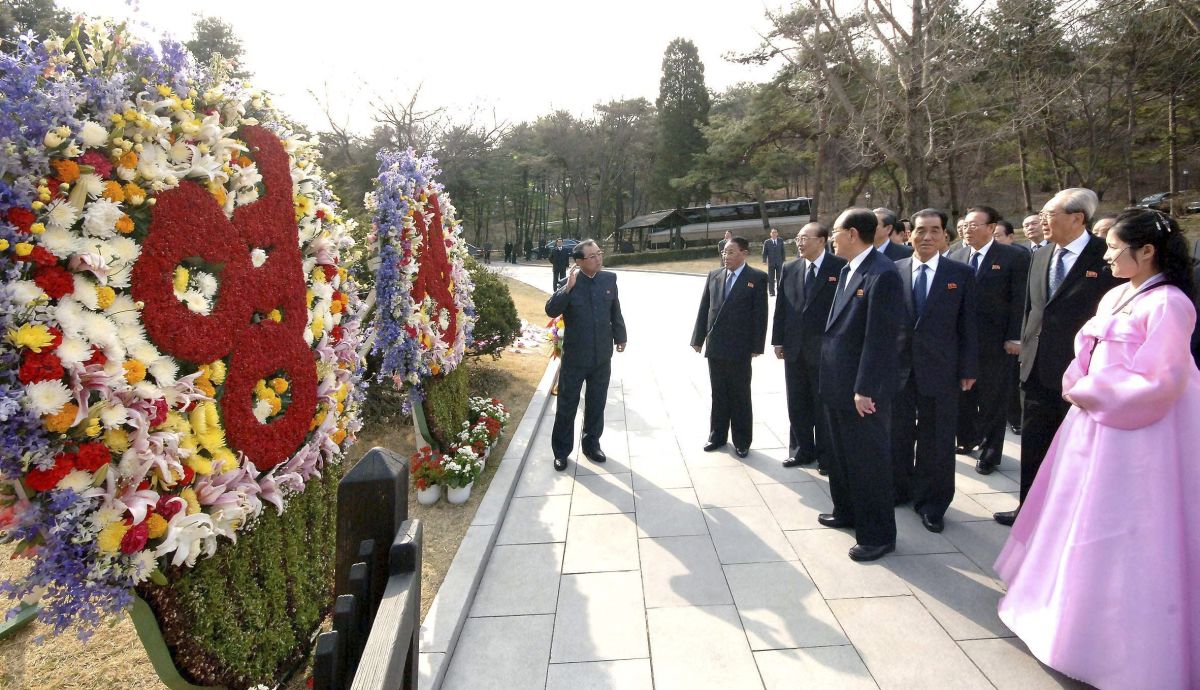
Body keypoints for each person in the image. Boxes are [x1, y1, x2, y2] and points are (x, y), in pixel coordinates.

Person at [995, 208, 1200, 689]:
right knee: (1080, 520)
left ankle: (1126, 646)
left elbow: (1161, 380)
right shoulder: (1116, 294)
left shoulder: (1169, 303)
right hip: (1095, 422)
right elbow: (1086, 351)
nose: (1106, 254)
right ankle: (1068, 620)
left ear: (1146, 252)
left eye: (1114, 247)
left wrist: (1092, 391)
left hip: (1140, 435)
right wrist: (1078, 382)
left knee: (1128, 528)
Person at [995, 188, 1124, 525]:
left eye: (1050, 213)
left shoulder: (1106, 257)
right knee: (1034, 446)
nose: (1041, 220)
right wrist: (1024, 350)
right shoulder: (1038, 255)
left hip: (1082, 374)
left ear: (1077, 218)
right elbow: (1031, 309)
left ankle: (1072, 518)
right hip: (1036, 368)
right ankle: (1029, 511)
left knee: (1078, 452)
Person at [817, 208, 903, 562]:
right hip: (838, 383)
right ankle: (847, 511)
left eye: (836, 232)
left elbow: (881, 340)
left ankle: (877, 534)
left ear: (852, 233)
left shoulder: (882, 275)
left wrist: (865, 388)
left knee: (868, 462)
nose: (832, 237)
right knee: (841, 456)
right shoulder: (847, 268)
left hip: (861, 391)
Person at [891, 209, 978, 533]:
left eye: (934, 231)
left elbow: (969, 325)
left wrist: (969, 367)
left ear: (945, 236)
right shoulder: (893, 270)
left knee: (938, 440)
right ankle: (899, 489)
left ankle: (933, 503)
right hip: (899, 370)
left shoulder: (961, 273)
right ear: (909, 234)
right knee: (897, 434)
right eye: (920, 230)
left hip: (942, 370)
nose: (927, 237)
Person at [950, 206, 1030, 474]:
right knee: (964, 395)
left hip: (995, 342)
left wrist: (1015, 336)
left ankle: (990, 452)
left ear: (991, 227)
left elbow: (1021, 300)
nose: (968, 230)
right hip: (961, 341)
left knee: (993, 398)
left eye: (975, 225)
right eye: (966, 225)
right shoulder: (956, 254)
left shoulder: (1012, 256)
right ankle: (968, 439)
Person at [545, 240, 627, 472]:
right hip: (575, 358)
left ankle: (592, 444)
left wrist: (620, 336)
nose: (598, 259)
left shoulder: (609, 279)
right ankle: (561, 452)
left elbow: (615, 311)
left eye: (599, 254)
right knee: (567, 405)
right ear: (579, 261)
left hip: (602, 355)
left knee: (596, 402)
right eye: (592, 256)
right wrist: (567, 288)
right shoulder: (569, 282)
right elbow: (551, 310)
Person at [771, 222, 847, 474]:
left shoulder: (839, 266)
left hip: (826, 351)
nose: (800, 243)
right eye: (798, 238)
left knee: (823, 404)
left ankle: (827, 456)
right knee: (797, 401)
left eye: (805, 238)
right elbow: (781, 306)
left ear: (822, 240)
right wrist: (778, 340)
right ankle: (801, 450)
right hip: (794, 348)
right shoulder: (790, 267)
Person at [691, 236, 768, 458]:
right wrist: (698, 338)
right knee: (719, 393)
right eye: (724, 252)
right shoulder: (714, 275)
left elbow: (760, 315)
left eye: (731, 252)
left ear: (744, 253)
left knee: (740, 394)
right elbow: (705, 307)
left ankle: (742, 440)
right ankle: (717, 436)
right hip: (716, 345)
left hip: (740, 347)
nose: (726, 256)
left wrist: (757, 345)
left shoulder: (756, 278)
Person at [762, 227, 786, 296]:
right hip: (771, 263)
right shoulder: (767, 242)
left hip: (779, 262)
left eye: (775, 232)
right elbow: (764, 252)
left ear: (777, 233)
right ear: (770, 234)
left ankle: (779, 291)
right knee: (771, 278)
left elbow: (783, 251)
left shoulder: (780, 240)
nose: (774, 234)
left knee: (780, 277)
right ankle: (771, 292)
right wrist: (764, 260)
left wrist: (783, 259)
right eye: (772, 232)